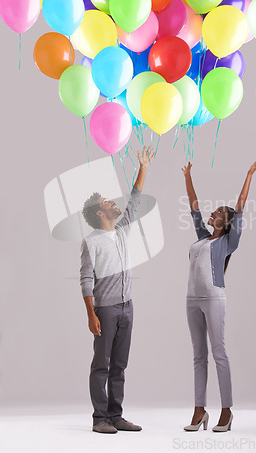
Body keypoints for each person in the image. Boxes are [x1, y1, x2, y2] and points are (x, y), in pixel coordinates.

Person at [181, 157, 256, 432]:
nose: (213, 212)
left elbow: (240, 207)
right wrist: (187, 177)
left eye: (218, 211)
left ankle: (226, 411)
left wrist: (249, 173)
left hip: (214, 298)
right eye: (215, 210)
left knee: (219, 352)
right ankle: (198, 410)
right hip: (192, 300)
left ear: (225, 221)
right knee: (198, 355)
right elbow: (194, 205)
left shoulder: (228, 241)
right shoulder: (201, 237)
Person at [80, 146, 155, 434]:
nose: (114, 203)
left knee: (119, 365)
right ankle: (100, 418)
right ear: (100, 212)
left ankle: (116, 414)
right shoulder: (92, 241)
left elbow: (134, 202)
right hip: (106, 309)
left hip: (127, 307)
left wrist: (143, 167)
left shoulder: (122, 230)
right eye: (108, 202)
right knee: (102, 364)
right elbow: (86, 278)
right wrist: (91, 314)